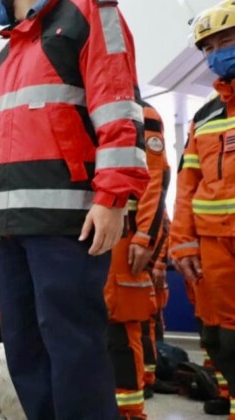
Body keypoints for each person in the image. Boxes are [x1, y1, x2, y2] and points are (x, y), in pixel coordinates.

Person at [0, 0, 149, 418]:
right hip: (8, 226)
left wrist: (113, 198)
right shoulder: (2, 56)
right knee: (24, 352)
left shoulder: (89, 11)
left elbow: (118, 106)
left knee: (73, 350)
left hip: (67, 221)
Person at [171, 3, 235, 416]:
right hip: (213, 246)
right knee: (219, 340)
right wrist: (182, 245)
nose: (216, 53)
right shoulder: (204, 116)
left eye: (226, 41)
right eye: (209, 46)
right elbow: (186, 187)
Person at [102, 101, 169, 419]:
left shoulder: (144, 114)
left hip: (125, 240)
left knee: (122, 329)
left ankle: (130, 413)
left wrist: (145, 237)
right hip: (82, 236)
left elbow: (156, 179)